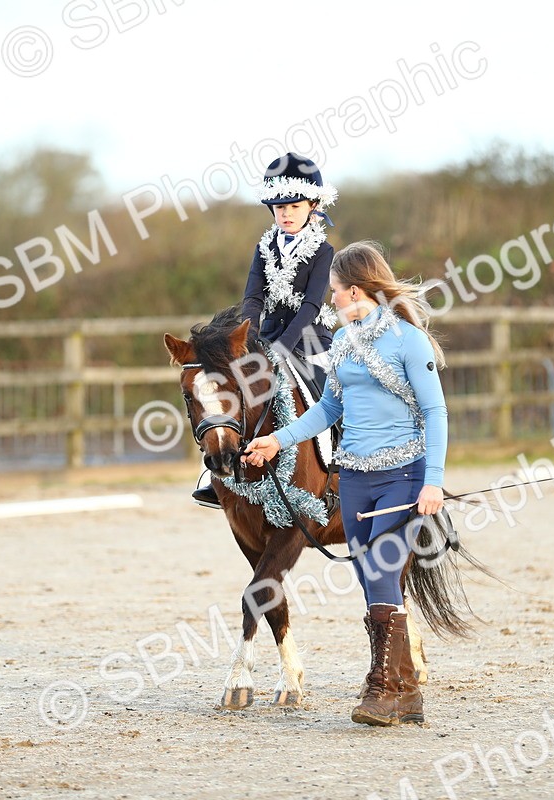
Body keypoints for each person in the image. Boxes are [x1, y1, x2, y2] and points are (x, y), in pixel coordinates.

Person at [242, 240, 448, 727]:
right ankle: (406, 691)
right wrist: (277, 439)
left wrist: (433, 482)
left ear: (355, 290)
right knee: (367, 577)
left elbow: (436, 411)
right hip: (353, 477)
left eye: (334, 290)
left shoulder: (408, 341)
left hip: (404, 474)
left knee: (380, 572)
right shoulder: (340, 343)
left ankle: (382, 686)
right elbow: (329, 409)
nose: (330, 298)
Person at [192, 152, 339, 508]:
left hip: (310, 340)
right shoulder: (263, 247)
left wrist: (284, 348)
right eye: (278, 207)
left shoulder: (323, 250)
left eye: (293, 205)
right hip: (266, 337)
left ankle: (338, 466)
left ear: (313, 204)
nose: (285, 213)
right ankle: (221, 471)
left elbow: (311, 306)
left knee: (329, 390)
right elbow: (253, 298)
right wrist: (247, 339)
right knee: (232, 391)